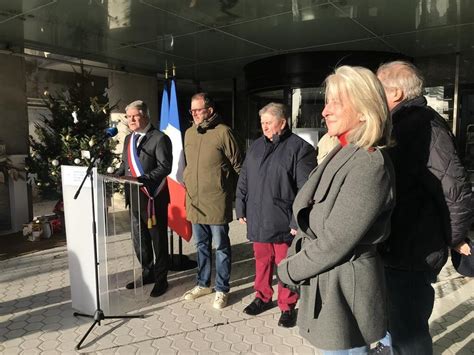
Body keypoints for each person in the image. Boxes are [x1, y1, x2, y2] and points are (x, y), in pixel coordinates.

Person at [277, 65, 396, 353]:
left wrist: (289, 270)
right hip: (329, 279)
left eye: (335, 103)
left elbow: (335, 242)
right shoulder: (344, 150)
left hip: (343, 289)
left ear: (364, 110)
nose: (324, 111)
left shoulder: (369, 163)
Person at [376, 60, 472, 355]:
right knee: (397, 318)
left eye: (378, 89)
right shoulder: (401, 122)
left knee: (411, 331)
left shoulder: (423, 126)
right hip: (399, 246)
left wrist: (453, 239)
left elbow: (456, 192)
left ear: (395, 93)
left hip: (413, 250)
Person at [235, 102, 315, 328]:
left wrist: (296, 220)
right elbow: (244, 178)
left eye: (269, 122)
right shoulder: (256, 146)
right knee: (261, 261)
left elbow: (305, 190)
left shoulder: (300, 149)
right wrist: (240, 205)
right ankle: (262, 297)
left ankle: (287, 306)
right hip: (258, 217)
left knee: (285, 265)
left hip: (283, 221)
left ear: (283, 122)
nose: (265, 127)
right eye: (262, 123)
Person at [182, 92, 243, 309]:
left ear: (210, 110)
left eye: (199, 110)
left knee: (221, 247)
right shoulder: (189, 133)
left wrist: (240, 196)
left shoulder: (223, 132)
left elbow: (239, 167)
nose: (195, 114)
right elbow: (188, 165)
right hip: (195, 200)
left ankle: (222, 288)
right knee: (201, 245)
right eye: (192, 110)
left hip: (217, 200)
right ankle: (203, 283)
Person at [116, 100, 172, 298]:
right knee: (140, 239)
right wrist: (116, 174)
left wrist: (143, 179)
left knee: (158, 240)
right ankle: (147, 272)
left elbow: (165, 166)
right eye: (128, 116)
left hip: (152, 198)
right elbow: (125, 165)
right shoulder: (128, 140)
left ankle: (161, 279)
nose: (130, 120)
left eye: (134, 116)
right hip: (134, 196)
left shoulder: (159, 138)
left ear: (145, 116)